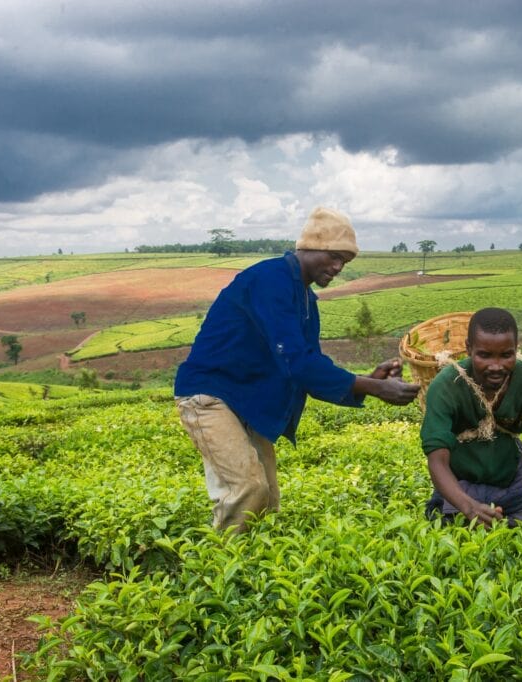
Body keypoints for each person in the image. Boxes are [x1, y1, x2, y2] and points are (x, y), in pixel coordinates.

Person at [175, 206, 420, 532]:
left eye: (343, 263)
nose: (337, 268)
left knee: (268, 500)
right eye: (333, 256)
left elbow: (308, 363)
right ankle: (221, 570)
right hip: (210, 395)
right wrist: (373, 388)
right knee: (248, 490)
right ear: (310, 247)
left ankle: (252, 571)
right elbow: (297, 363)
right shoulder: (270, 280)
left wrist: (368, 380)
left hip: (243, 400)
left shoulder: (305, 299)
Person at [422, 307, 522, 527]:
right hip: (459, 491)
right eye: (484, 355)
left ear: (516, 349)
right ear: (468, 349)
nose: (496, 366)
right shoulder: (447, 386)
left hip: (511, 489)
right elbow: (437, 459)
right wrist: (469, 506)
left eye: (506, 355)